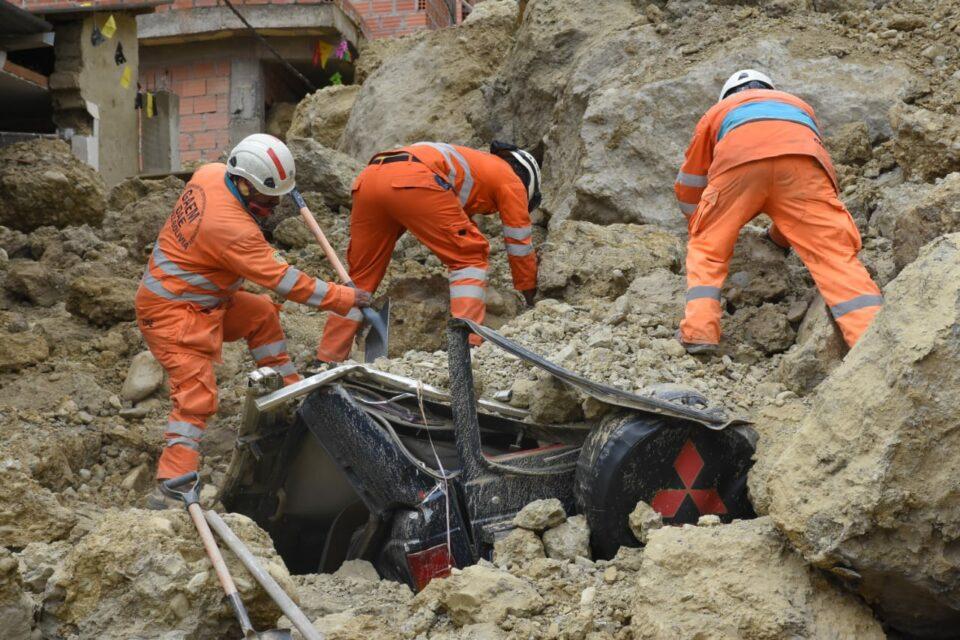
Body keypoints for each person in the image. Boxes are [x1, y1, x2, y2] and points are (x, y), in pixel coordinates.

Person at [136, 133, 370, 507]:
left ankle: (287, 394)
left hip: (207, 300)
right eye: (265, 198)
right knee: (197, 395)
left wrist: (281, 191)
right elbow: (287, 281)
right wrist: (345, 298)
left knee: (260, 314)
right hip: (173, 313)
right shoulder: (231, 230)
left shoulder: (211, 173)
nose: (272, 206)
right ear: (242, 184)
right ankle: (173, 481)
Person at [674, 69, 882, 354]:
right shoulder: (798, 105)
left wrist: (699, 222)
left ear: (728, 96)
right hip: (802, 167)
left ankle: (699, 333)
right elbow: (804, 190)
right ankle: (873, 340)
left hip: (739, 164)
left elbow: (691, 181)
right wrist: (778, 239)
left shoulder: (718, 111)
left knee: (708, 249)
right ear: (770, 89)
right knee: (834, 255)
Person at [315, 141, 542, 363]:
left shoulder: (478, 167)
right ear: (528, 183)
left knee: (360, 282)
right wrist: (529, 291)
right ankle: (467, 347)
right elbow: (519, 242)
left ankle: (327, 358)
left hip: (369, 178)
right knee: (470, 255)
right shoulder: (512, 180)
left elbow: (451, 219)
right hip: (412, 179)